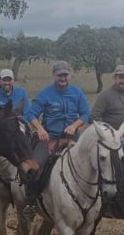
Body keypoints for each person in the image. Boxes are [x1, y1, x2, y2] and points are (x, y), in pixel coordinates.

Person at [23, 60, 90, 206]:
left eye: (65, 75)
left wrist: (74, 125)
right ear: (54, 75)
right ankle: (31, 204)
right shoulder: (45, 93)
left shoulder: (77, 92)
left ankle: (90, 202)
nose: (63, 78)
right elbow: (31, 114)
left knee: (91, 164)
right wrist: (40, 129)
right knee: (34, 167)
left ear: (69, 75)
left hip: (72, 137)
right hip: (49, 138)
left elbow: (85, 114)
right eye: (60, 75)